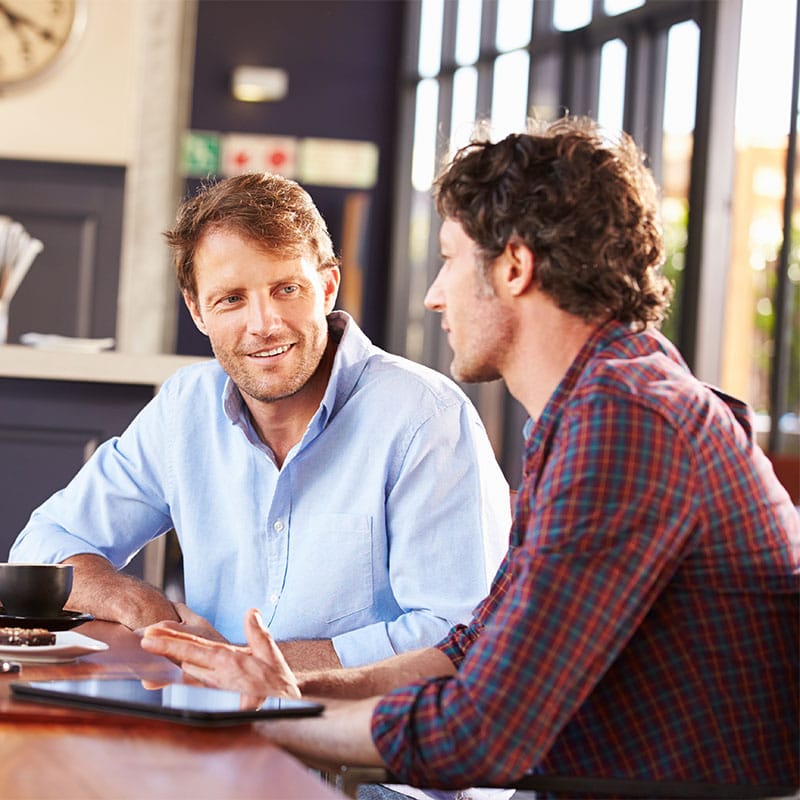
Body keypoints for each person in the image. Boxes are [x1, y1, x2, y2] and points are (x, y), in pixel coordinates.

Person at [141, 116, 800, 795]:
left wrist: (276, 720)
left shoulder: (627, 420)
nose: (434, 295)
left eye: (452, 259)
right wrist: (286, 689)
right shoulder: (601, 405)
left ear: (514, 267)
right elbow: (470, 652)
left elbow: (478, 734)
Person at [10, 173, 511, 670]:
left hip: (356, 736)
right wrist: (142, 609)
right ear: (197, 310)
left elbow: (461, 632)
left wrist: (249, 664)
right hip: (207, 721)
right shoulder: (187, 404)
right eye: (231, 298)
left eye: (286, 288)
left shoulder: (426, 416)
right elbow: (47, 541)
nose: (263, 324)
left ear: (328, 286)